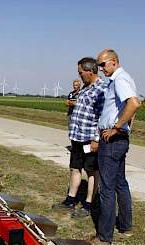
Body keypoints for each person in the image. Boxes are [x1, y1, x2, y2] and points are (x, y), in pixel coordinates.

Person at [94, 49, 140, 245]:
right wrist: (125, 128)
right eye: (99, 66)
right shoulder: (124, 78)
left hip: (112, 141)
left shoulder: (120, 79)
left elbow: (134, 104)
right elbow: (131, 108)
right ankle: (126, 226)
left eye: (103, 65)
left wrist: (116, 127)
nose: (101, 69)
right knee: (121, 184)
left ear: (113, 61)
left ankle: (104, 237)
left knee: (107, 188)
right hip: (120, 140)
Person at [53, 57, 105, 218]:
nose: (79, 75)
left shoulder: (101, 89)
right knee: (75, 168)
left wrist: (96, 139)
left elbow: (102, 117)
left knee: (91, 171)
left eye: (81, 73)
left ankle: (89, 204)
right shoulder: (84, 87)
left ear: (90, 71)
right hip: (77, 137)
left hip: (90, 139)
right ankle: (70, 200)